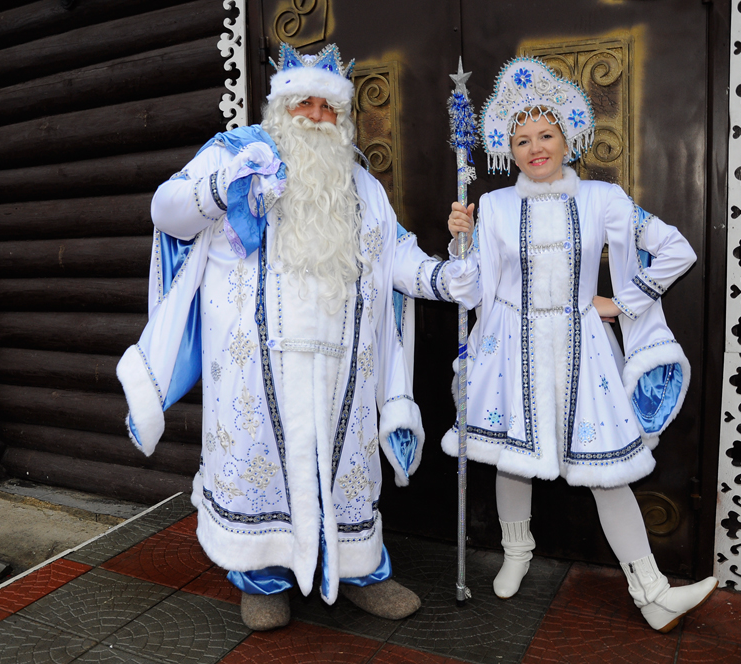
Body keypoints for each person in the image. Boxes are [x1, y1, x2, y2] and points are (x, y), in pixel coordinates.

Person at [117, 42, 477, 631]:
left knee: (348, 475)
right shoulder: (235, 153)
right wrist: (228, 185)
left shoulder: (361, 186)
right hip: (254, 364)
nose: (314, 116)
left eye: (327, 107)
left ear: (342, 117)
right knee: (259, 468)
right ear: (279, 107)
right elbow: (167, 211)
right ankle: (261, 577)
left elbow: (397, 260)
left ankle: (363, 571)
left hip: (344, 367)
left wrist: (451, 275)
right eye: (302, 103)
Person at [442, 57, 716, 632]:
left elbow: (676, 250)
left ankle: (653, 591)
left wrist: (623, 301)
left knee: (606, 471)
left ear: (568, 136)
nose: (535, 148)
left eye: (545, 135)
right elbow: (469, 292)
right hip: (509, 349)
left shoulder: (604, 200)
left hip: (582, 351)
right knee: (511, 460)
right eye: (521, 139)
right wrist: (461, 244)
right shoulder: (490, 208)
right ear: (506, 147)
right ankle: (518, 553)